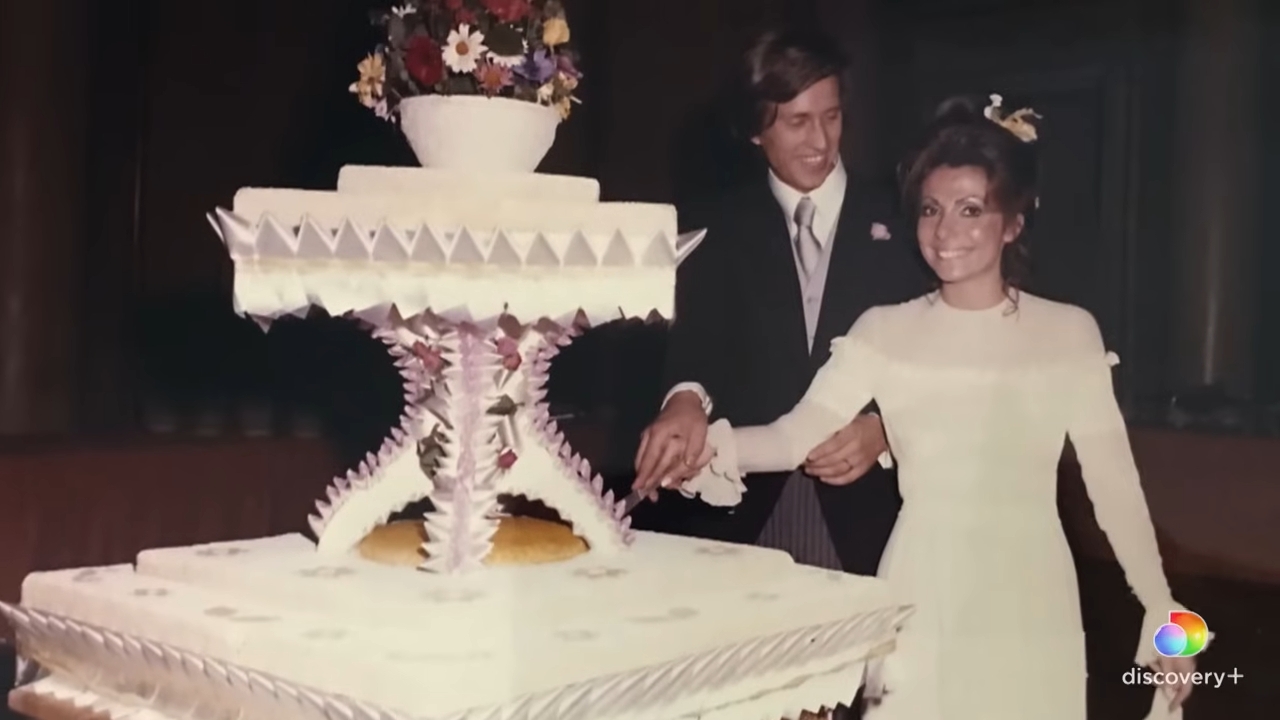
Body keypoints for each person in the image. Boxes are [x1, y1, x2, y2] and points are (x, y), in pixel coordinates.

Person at [668, 95, 1199, 719]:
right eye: (931, 209)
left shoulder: (1067, 332)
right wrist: (700, 448)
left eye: (971, 210)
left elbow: (1114, 487)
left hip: (1031, 592)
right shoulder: (884, 330)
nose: (946, 233)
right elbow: (793, 438)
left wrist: (1170, 619)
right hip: (921, 586)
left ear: (1013, 223)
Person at [633, 27, 929, 577]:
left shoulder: (909, 221)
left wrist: (885, 430)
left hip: (873, 519)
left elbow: (942, 360)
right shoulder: (713, 226)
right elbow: (698, 349)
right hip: (745, 519)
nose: (821, 140)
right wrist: (684, 401)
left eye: (832, 116)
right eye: (797, 121)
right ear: (753, 130)